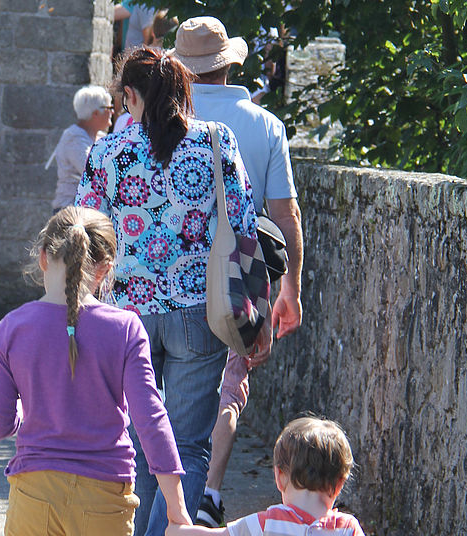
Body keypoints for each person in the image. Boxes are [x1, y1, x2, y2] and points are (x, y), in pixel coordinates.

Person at [75, 47, 268, 533]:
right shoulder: (216, 142)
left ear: (132, 96)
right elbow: (245, 229)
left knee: (139, 438)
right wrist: (258, 313)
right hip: (199, 311)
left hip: (127, 314)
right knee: (188, 444)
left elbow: (85, 233)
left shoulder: (106, 152)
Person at [0, 206, 192, 536]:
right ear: (106, 269)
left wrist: (29, 411)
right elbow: (151, 419)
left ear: (43, 257)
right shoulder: (125, 329)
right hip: (105, 495)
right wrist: (177, 511)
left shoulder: (10, 329)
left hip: (34, 495)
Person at [169, 16, 304, 528]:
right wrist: (291, 283)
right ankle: (208, 492)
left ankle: (162, 490)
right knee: (230, 386)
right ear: (229, 65)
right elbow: (284, 211)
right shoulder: (264, 124)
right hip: (240, 278)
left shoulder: (159, 118)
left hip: (171, 275)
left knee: (163, 382)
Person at [166, 416, 366, 536]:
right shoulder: (348, 528)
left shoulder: (266, 523)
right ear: (340, 483)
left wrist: (177, 530)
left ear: (279, 476)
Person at [47, 85, 113, 212]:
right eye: (109, 108)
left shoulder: (99, 137)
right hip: (71, 211)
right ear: (95, 113)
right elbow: (92, 171)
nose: (112, 112)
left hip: (88, 210)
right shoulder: (74, 138)